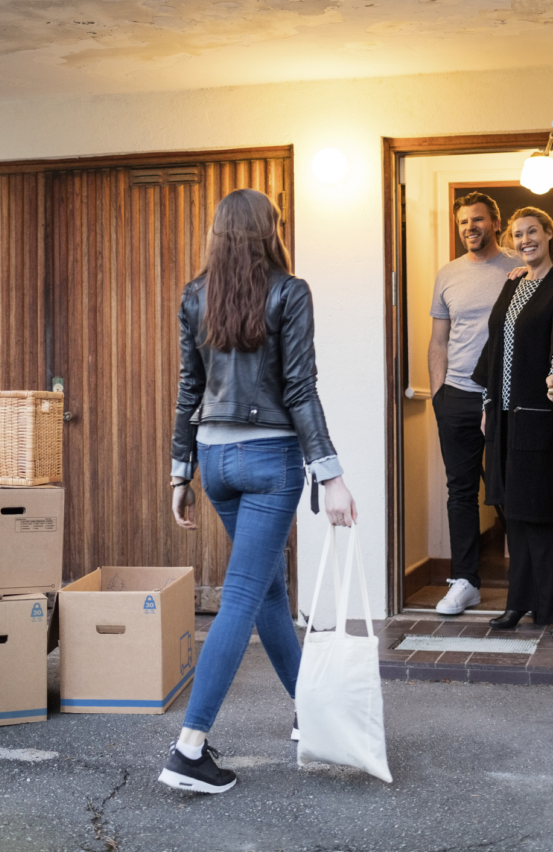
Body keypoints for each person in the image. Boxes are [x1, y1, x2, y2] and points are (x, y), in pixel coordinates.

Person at [159, 189, 357, 795]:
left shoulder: (196, 295)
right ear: (270, 229)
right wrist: (331, 471)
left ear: (218, 234)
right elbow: (300, 388)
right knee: (244, 595)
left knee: (268, 589)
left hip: (216, 461)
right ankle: (188, 749)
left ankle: (310, 710)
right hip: (271, 460)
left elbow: (189, 387)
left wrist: (179, 469)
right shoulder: (290, 291)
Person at [471, 206, 553, 640]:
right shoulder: (513, 286)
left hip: (536, 415)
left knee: (539, 514)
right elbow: (495, 348)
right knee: (513, 514)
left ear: (550, 234)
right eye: (518, 234)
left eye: (534, 231)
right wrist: (489, 406)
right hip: (504, 418)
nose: (526, 239)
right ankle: (520, 603)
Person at [428, 192, 524, 615]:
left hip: (503, 400)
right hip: (457, 397)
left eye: (478, 220)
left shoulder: (516, 268)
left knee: (512, 489)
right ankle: (465, 580)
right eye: (464, 221)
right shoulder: (447, 274)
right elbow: (439, 340)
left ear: (495, 223)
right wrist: (438, 397)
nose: (470, 227)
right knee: (460, 491)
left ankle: (528, 582)